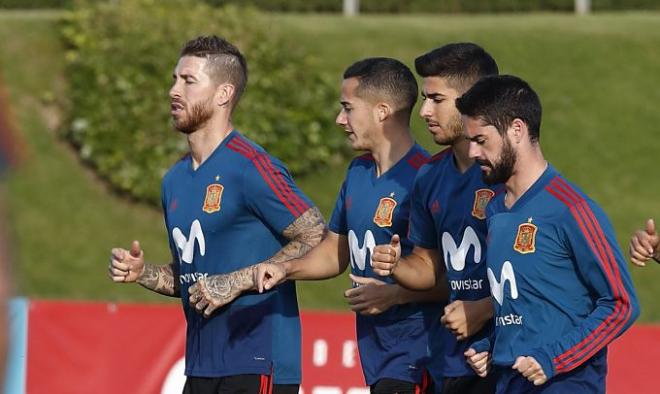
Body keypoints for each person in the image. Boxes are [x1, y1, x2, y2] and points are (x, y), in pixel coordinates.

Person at [108, 35, 325, 394]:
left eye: (188, 81)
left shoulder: (252, 167)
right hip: (200, 364)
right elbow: (193, 278)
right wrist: (142, 273)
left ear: (224, 94)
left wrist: (238, 281)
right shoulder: (174, 180)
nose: (173, 90)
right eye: (174, 79)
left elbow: (318, 237)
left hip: (257, 360)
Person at [252, 57, 445, 393]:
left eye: (348, 108)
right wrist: (286, 268)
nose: (340, 119)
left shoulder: (427, 177)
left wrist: (395, 294)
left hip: (419, 351)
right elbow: (334, 252)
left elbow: (459, 276)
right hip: (375, 351)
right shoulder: (358, 172)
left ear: (382, 111)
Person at [455, 75, 639, 392]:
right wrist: (492, 347)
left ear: (517, 130)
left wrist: (554, 359)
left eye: (481, 140)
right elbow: (523, 308)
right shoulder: (495, 210)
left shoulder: (571, 208)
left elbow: (621, 304)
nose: (472, 152)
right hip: (510, 383)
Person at [371, 43, 500, 393]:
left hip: (508, 361)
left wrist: (484, 309)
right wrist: (397, 265)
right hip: (452, 360)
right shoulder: (429, 176)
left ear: (473, 99)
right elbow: (430, 266)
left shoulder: (509, 176)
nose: (425, 110)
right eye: (425, 98)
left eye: (437, 99)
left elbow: (542, 277)